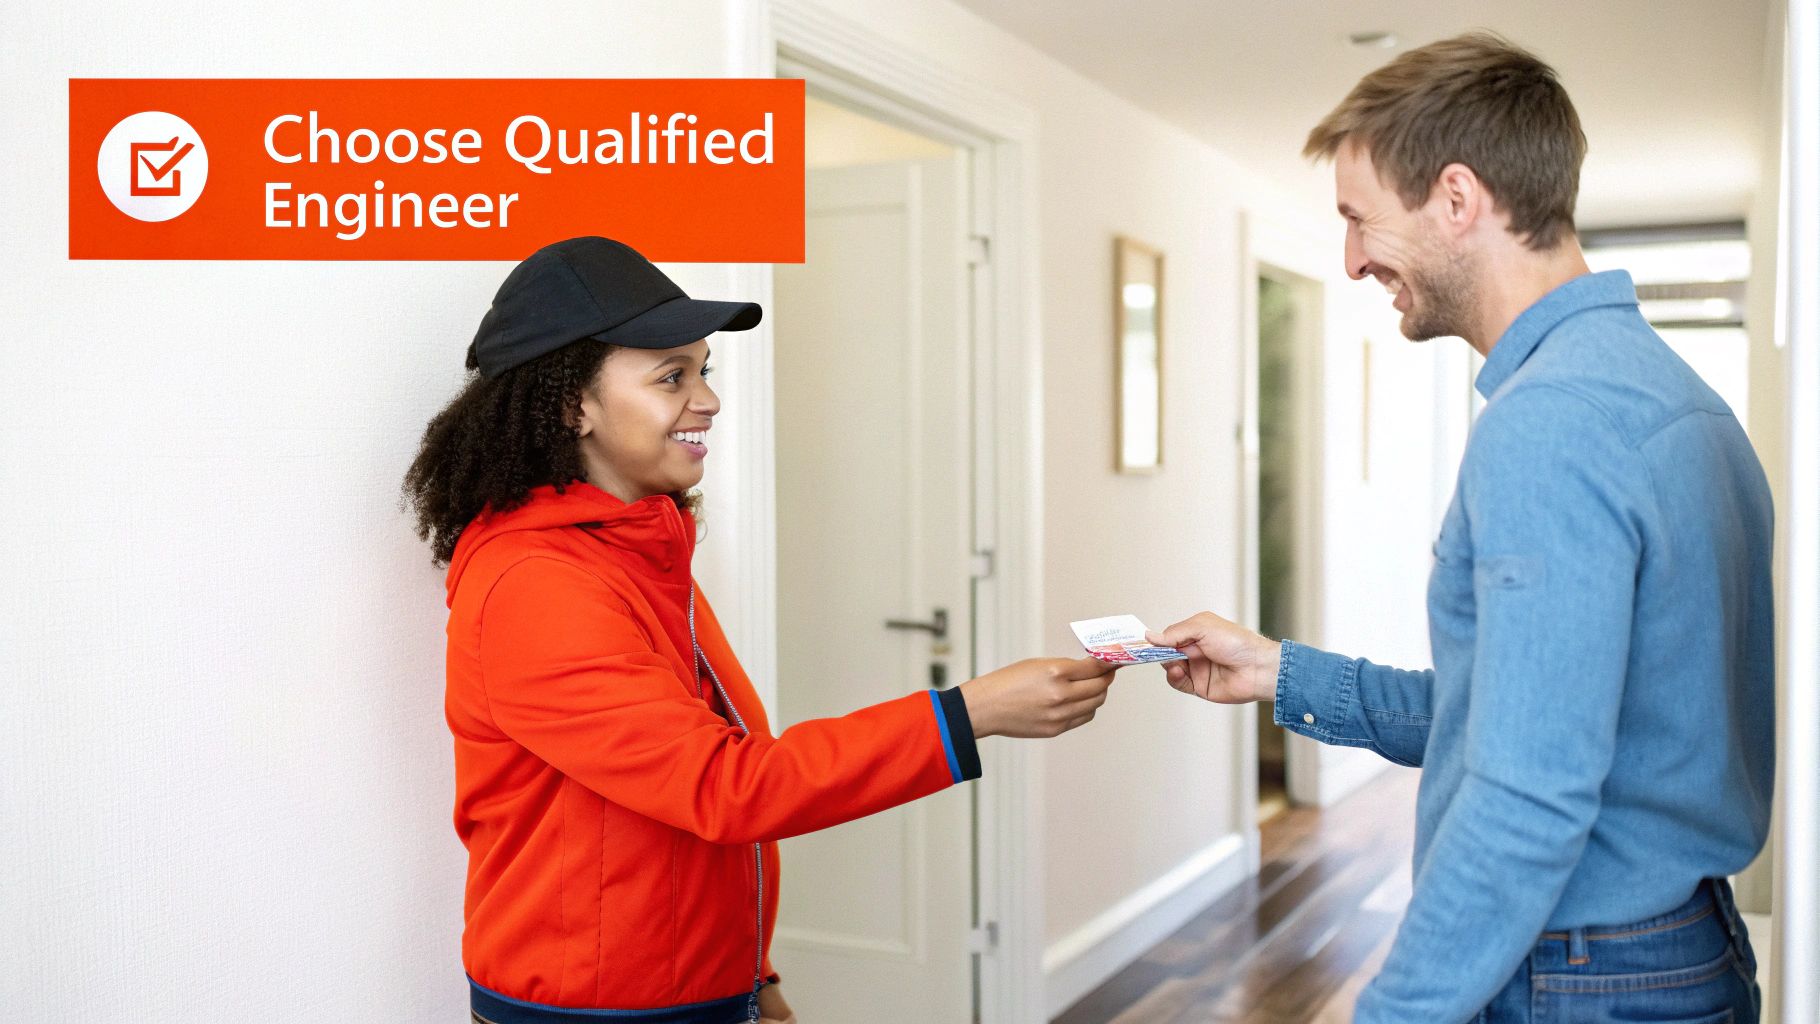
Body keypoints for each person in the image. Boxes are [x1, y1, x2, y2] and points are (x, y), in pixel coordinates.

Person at [1149, 33, 1773, 1023]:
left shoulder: (1548, 423)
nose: (1350, 260)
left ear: (1454, 198)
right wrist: (1280, 672)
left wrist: (1388, 1013)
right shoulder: (1673, 399)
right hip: (1671, 953)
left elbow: (1525, 792)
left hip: (1583, 979)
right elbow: (1520, 710)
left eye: (1357, 219)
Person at [403, 236, 1117, 1024]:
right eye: (672, 375)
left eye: (703, 370)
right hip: (594, 1011)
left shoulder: (640, 548)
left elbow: (684, 798)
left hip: (698, 992)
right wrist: (968, 715)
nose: (707, 399)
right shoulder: (537, 585)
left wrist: (753, 974)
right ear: (574, 402)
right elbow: (724, 787)